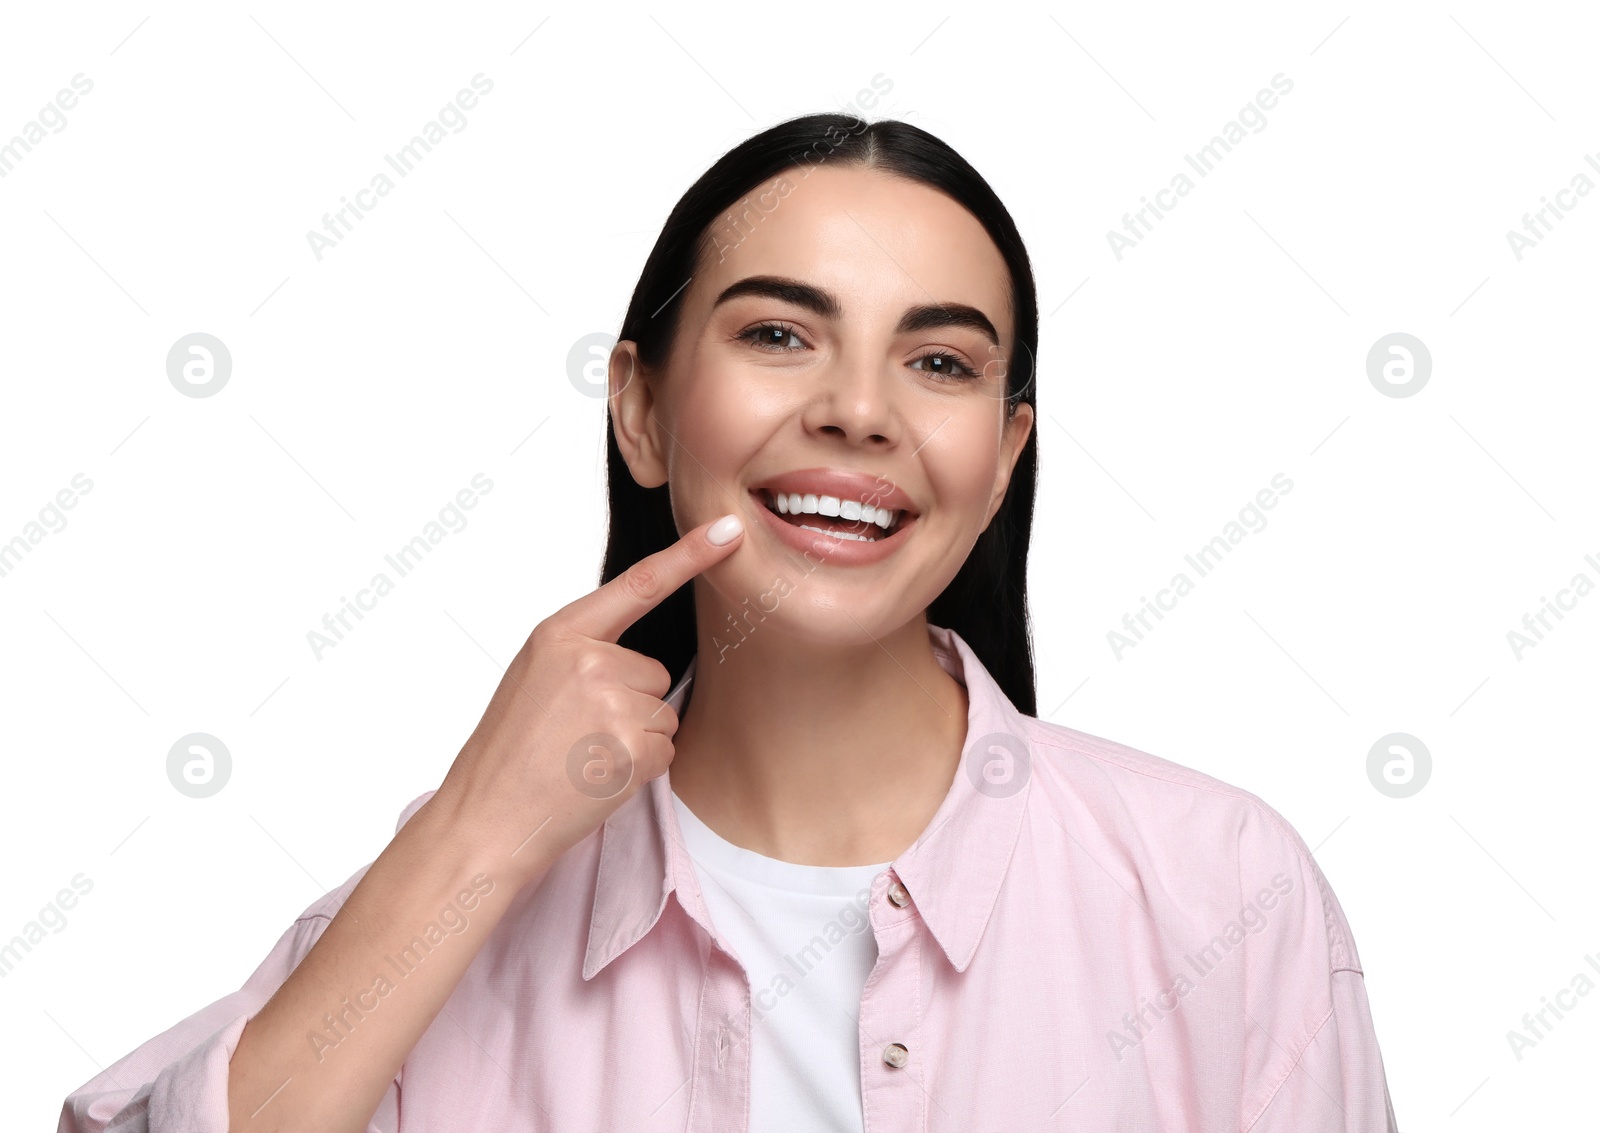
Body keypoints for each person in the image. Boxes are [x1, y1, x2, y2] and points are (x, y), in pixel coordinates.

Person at [60, 113, 1398, 1132]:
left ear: (1002, 456)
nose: (859, 410)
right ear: (640, 408)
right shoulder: (460, 891)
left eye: (940, 362)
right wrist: (473, 832)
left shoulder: (1223, 884)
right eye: (778, 334)